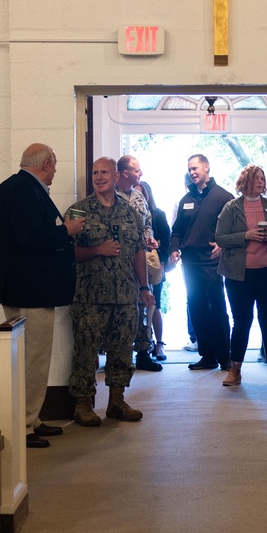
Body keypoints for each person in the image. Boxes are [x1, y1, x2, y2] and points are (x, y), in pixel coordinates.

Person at [0, 143, 84, 449]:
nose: (55, 172)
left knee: (26, 357)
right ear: (46, 164)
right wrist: (67, 229)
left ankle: (31, 418)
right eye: (55, 166)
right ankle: (23, 425)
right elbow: (31, 237)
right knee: (33, 358)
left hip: (23, 286)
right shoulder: (24, 190)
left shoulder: (14, 187)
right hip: (31, 289)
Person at [67, 157, 154, 426]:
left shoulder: (130, 212)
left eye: (105, 172)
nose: (99, 177)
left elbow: (139, 251)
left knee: (122, 350)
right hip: (90, 296)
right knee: (86, 350)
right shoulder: (79, 211)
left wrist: (144, 287)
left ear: (116, 177)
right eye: (95, 172)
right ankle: (83, 404)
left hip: (125, 295)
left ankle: (116, 401)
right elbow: (66, 254)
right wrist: (97, 250)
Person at [215, 165, 267, 388]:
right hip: (239, 275)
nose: (261, 181)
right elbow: (220, 238)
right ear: (245, 181)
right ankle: (235, 369)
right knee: (241, 322)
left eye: (262, 178)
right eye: (256, 178)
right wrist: (246, 235)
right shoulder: (231, 208)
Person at [170, 154, 235, 371]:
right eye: (189, 169)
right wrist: (174, 249)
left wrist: (224, 244)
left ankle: (225, 357)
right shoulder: (185, 199)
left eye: (195, 168)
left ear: (206, 167)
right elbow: (177, 230)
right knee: (196, 309)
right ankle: (207, 356)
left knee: (217, 308)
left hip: (212, 263)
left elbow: (235, 229)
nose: (192, 172)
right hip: (190, 264)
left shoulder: (224, 197)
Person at [116, 155, 163, 372]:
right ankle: (120, 357)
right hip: (116, 265)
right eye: (137, 170)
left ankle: (144, 353)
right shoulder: (109, 196)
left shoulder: (138, 197)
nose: (141, 173)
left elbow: (147, 224)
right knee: (119, 313)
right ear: (126, 173)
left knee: (144, 307)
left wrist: (149, 237)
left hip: (140, 263)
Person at [136, 181, 171, 361]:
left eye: (141, 194)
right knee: (137, 308)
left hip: (155, 266)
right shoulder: (127, 214)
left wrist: (163, 263)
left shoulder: (158, 215)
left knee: (154, 304)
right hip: (136, 267)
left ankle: (159, 344)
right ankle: (141, 344)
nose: (138, 197)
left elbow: (167, 240)